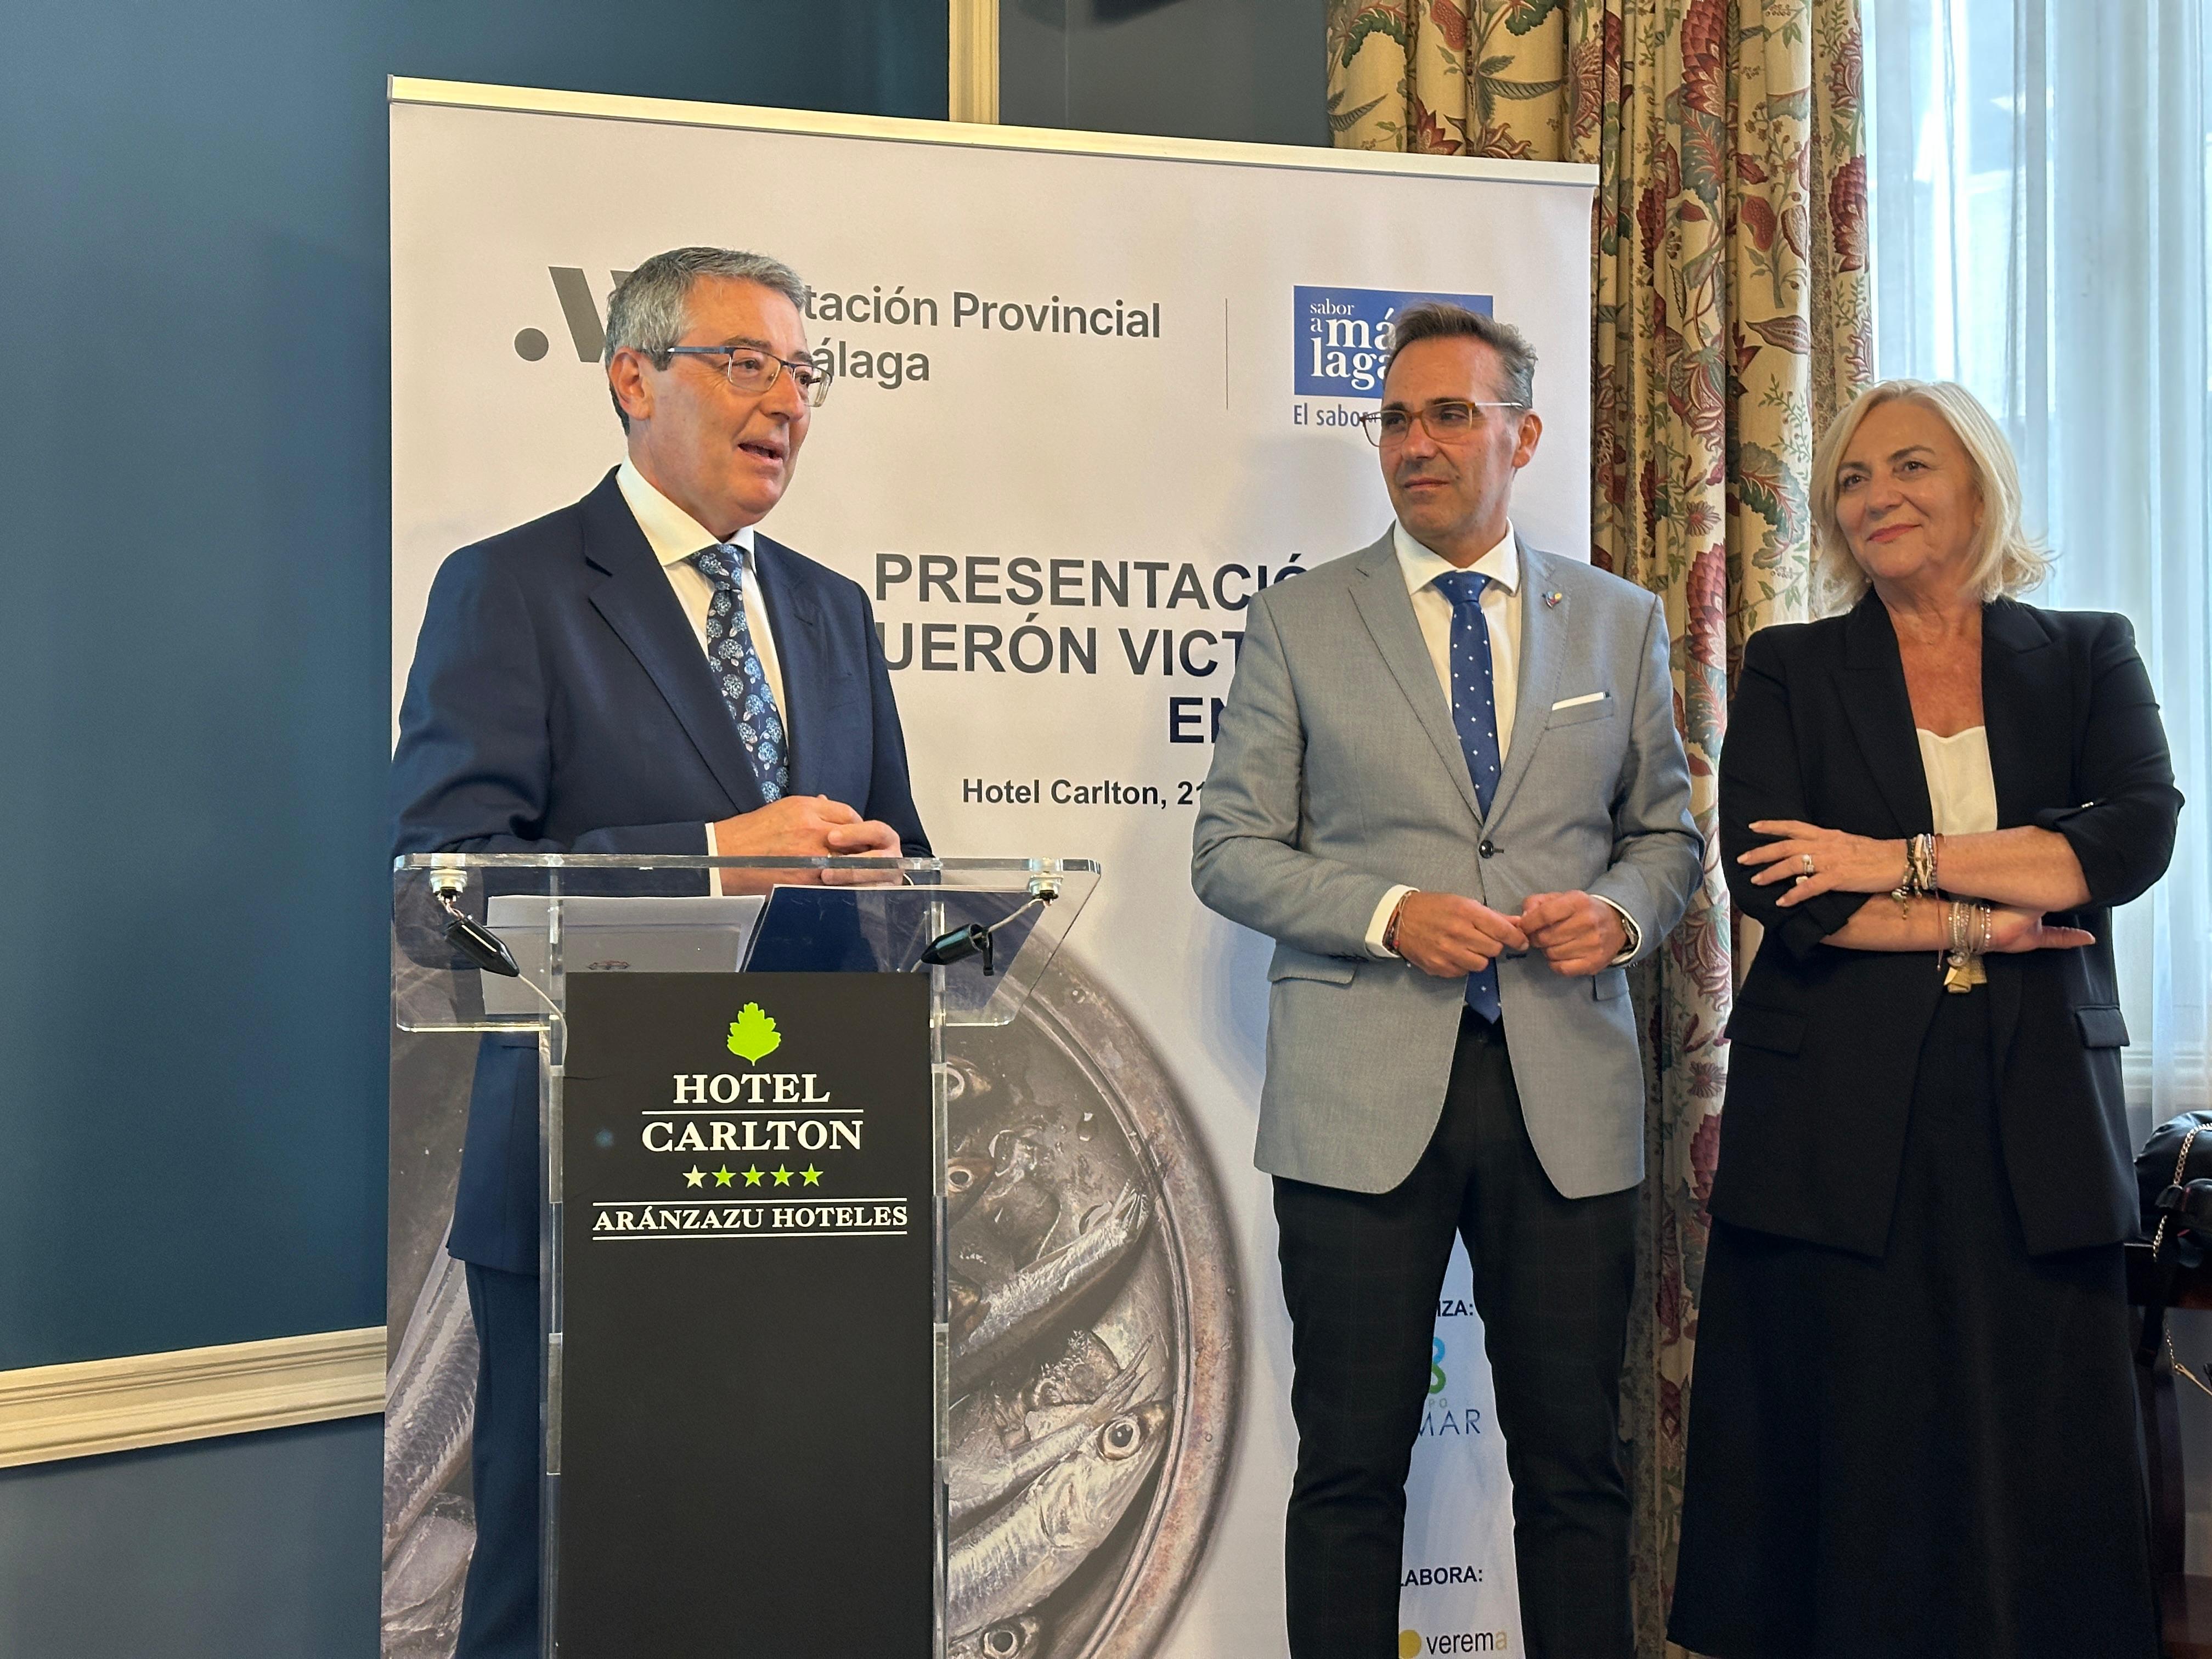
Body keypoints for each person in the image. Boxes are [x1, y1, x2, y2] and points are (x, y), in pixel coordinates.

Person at [388, 246, 929, 1658]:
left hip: (810, 1173)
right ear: (634, 378)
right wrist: (705, 859)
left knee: (775, 1578)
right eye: (747, 365)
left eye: (804, 375)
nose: (787, 403)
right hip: (591, 1179)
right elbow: (442, 889)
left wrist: (893, 889)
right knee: (558, 1587)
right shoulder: (511, 588)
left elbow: (912, 877)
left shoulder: (831, 610)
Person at [1191, 301, 1702, 1659]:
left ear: (1521, 436)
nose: (1416, 443)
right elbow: (1229, 850)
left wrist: (1620, 915)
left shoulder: (1619, 622)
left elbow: (1668, 838)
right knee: (1350, 1473)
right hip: (1360, 1100)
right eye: (1396, 420)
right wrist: (1388, 914)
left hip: (1564, 1094)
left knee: (1578, 1470)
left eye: (1451, 415)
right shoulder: (1300, 620)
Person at [1668, 379, 2181, 1658]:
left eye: (1910, 466)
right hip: (1835, 1116)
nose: (1876, 496)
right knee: (1857, 1442)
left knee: (2037, 1449)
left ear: (1979, 485)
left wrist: (1891, 859)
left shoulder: (2088, 652)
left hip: (2035, 1111)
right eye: (1852, 477)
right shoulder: (1792, 666)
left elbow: (2127, 843)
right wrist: (1986, 918)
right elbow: (1785, 885)